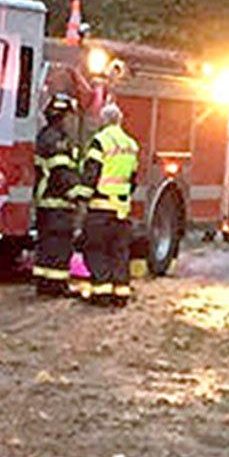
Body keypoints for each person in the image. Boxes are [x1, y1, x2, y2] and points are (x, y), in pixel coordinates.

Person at [79, 103, 141, 307]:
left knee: (96, 249)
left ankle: (101, 293)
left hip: (100, 207)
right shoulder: (131, 144)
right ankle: (121, 294)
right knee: (119, 252)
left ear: (103, 120)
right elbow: (133, 179)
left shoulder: (101, 141)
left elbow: (92, 173)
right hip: (122, 210)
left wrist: (80, 197)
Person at [32, 93, 83, 296]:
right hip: (58, 203)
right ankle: (57, 286)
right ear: (63, 116)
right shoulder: (58, 141)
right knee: (59, 246)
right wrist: (78, 193)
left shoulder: (45, 136)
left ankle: (44, 284)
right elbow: (62, 174)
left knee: (47, 245)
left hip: (47, 203)